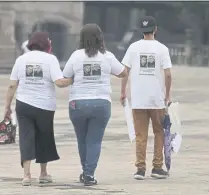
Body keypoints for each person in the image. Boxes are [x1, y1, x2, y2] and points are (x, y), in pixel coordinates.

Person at [4, 31, 72, 186]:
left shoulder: (21, 60)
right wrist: (73, 79)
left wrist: (7, 107)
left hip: (23, 104)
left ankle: (26, 176)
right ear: (45, 43)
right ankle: (43, 173)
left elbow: (12, 85)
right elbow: (59, 82)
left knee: (26, 138)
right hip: (44, 106)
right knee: (44, 137)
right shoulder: (50, 59)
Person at [63, 23, 128, 186]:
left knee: (82, 140)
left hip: (77, 103)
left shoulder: (76, 56)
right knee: (94, 141)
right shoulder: (107, 56)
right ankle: (89, 174)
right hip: (101, 103)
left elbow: (66, 76)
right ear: (100, 38)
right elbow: (123, 73)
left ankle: (85, 170)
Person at [120, 16, 172, 180]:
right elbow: (168, 73)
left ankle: (140, 169)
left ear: (140, 31)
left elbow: (124, 71)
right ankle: (157, 167)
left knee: (140, 134)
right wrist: (168, 94)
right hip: (157, 98)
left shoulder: (133, 48)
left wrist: (123, 92)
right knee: (159, 132)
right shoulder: (162, 49)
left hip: (138, 98)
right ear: (155, 29)